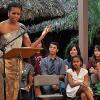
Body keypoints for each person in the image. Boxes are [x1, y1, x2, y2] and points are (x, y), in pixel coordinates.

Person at [0, 1, 52, 100]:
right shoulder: (1, 26)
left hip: (17, 63)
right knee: (3, 89)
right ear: (8, 13)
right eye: (13, 13)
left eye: (18, 14)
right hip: (3, 62)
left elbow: (30, 46)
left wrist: (42, 35)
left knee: (14, 89)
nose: (16, 16)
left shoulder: (22, 27)